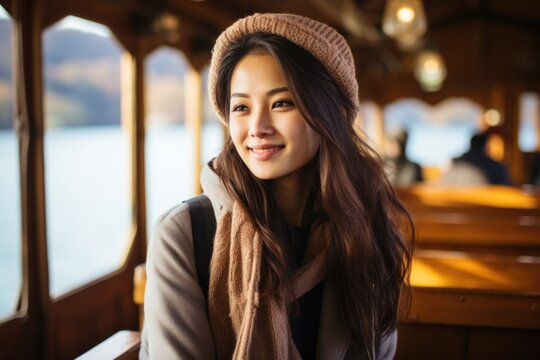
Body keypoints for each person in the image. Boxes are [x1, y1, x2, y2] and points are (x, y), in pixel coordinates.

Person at [140, 13, 413, 360]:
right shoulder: (186, 233)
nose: (257, 127)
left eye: (281, 103)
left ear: (331, 113)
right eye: (241, 107)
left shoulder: (365, 228)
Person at [441, 132, 512, 185]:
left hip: (450, 200)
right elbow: (505, 185)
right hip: (481, 202)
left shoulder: (454, 162)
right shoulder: (494, 166)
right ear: (485, 145)